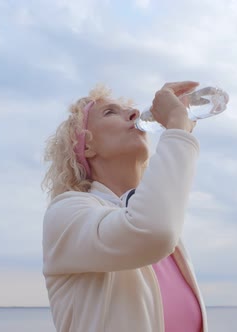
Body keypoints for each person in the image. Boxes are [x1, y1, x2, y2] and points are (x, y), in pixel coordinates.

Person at [41, 81, 207, 332]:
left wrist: (179, 127)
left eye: (130, 109)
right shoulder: (65, 214)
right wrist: (177, 129)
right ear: (85, 146)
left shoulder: (156, 219)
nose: (135, 113)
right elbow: (151, 232)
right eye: (110, 112)